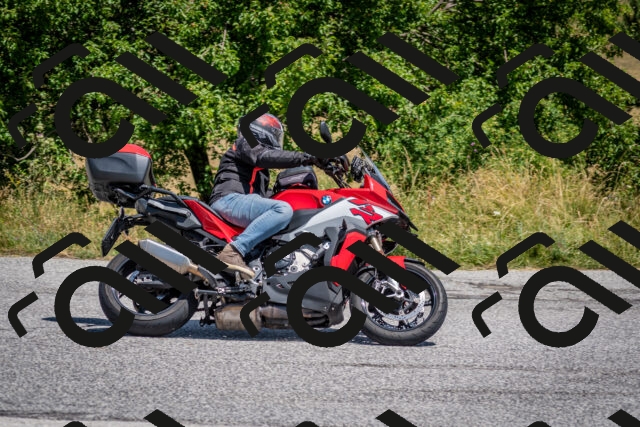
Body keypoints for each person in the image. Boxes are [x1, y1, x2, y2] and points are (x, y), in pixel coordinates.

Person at [209, 113, 319, 277]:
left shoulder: (260, 171)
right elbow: (264, 156)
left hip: (237, 202)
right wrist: (308, 157)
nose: (277, 140)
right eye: (276, 135)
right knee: (282, 210)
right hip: (228, 199)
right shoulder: (245, 143)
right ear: (261, 132)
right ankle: (233, 251)